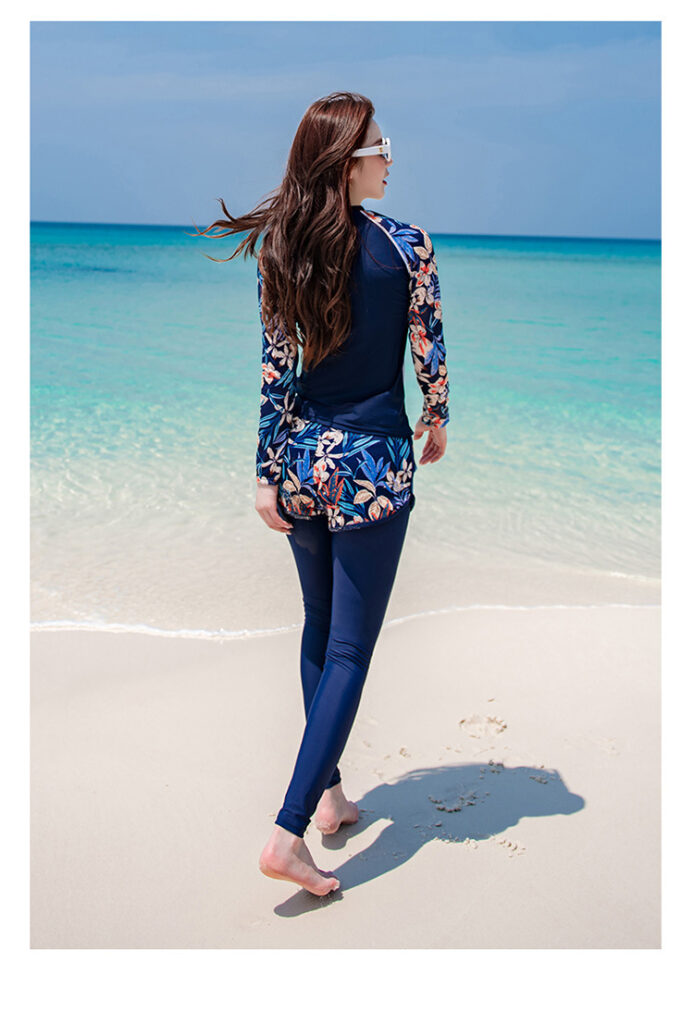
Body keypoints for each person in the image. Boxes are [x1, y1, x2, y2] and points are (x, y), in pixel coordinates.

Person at [192, 91, 449, 896]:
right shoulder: (407, 245)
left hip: (304, 462)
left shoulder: (282, 248)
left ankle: (331, 797)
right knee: (349, 650)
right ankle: (289, 830)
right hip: (373, 466)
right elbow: (428, 349)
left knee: (318, 628)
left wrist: (265, 472)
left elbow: (277, 373)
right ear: (345, 162)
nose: (389, 160)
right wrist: (437, 416)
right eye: (379, 148)